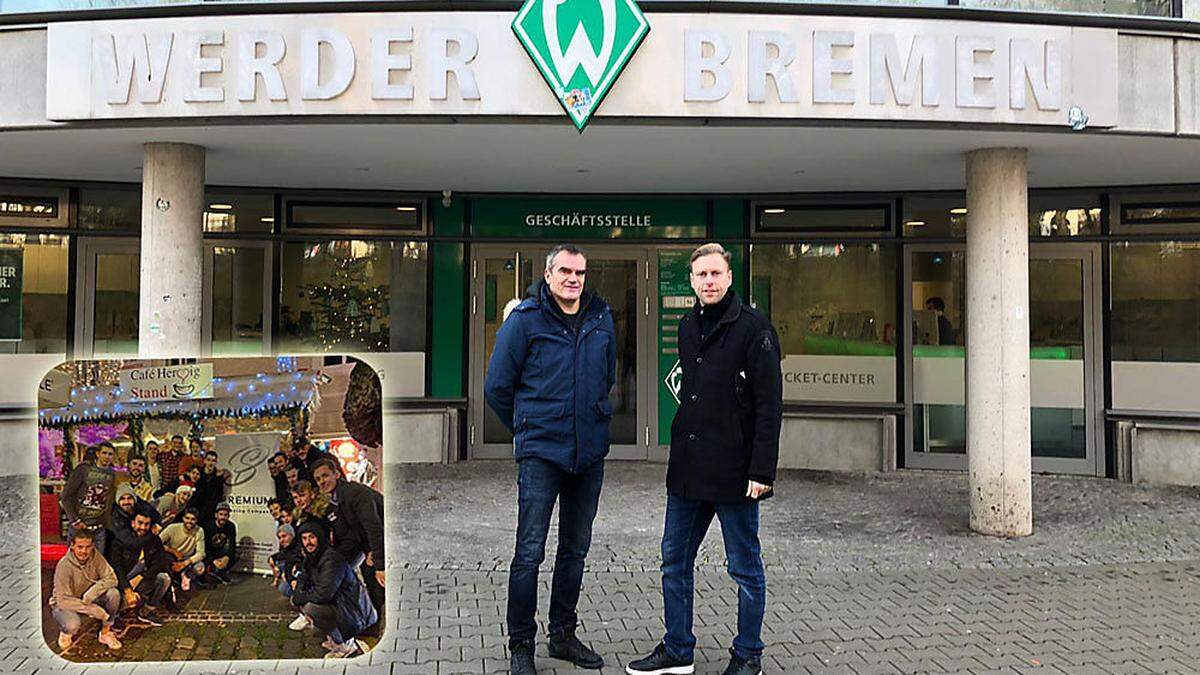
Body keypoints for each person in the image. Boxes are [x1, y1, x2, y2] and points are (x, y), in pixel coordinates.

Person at [627, 243, 782, 675]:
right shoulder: (687, 325)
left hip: (736, 474)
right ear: (692, 281)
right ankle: (678, 649)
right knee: (673, 561)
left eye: (716, 274)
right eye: (701, 276)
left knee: (744, 569)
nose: (709, 282)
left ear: (729, 278)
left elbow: (770, 407)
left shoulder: (756, 330)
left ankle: (748, 654)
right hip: (689, 471)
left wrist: (761, 471)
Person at [483, 243, 616, 674]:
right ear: (548, 274)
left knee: (574, 550)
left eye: (579, 271)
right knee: (529, 552)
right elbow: (497, 388)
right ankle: (521, 644)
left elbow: (607, 375)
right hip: (542, 453)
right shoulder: (524, 320)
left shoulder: (601, 316)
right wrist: (527, 427)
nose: (573, 278)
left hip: (589, 453)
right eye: (565, 271)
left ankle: (562, 635)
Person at [290, 520, 377, 659]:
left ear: (319, 538)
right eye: (304, 538)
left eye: (312, 537)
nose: (308, 542)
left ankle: (347, 645)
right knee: (301, 599)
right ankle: (335, 639)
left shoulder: (332, 560)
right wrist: (297, 594)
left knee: (312, 608)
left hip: (355, 612)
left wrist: (299, 597)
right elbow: (303, 579)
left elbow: (323, 594)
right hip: (340, 605)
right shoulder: (312, 557)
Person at [311, 458, 385, 614]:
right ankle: (371, 621)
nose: (322, 482)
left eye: (325, 476)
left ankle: (383, 626)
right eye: (318, 479)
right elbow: (352, 532)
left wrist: (380, 564)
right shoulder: (333, 501)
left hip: (387, 539)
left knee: (378, 583)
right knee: (368, 581)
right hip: (368, 545)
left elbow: (374, 528)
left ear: (336, 474)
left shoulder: (356, 494)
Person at [50, 530, 123, 652]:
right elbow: (62, 601)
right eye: (80, 547)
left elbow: (112, 578)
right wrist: (92, 609)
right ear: (72, 546)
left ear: (93, 546)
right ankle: (65, 631)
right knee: (72, 625)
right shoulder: (64, 565)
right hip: (68, 602)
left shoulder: (95, 556)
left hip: (87, 598)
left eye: (88, 547)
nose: (84, 551)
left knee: (113, 594)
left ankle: (105, 632)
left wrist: (92, 593)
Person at [108, 509, 172, 626]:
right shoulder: (120, 541)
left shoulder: (154, 540)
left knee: (164, 579)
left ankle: (146, 611)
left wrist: (142, 576)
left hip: (141, 579)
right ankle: (115, 616)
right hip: (122, 583)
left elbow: (160, 562)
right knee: (115, 597)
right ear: (133, 523)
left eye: (146, 524)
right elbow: (116, 567)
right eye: (140, 523)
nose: (143, 527)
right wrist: (127, 588)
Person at [59, 441, 117, 557]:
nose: (107, 457)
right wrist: (74, 520)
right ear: (97, 454)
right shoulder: (83, 470)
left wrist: (107, 522)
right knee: (74, 562)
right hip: (80, 525)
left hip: (99, 527)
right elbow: (65, 495)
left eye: (110, 454)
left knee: (96, 563)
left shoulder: (112, 474)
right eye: (104, 453)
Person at [269, 522, 307, 630]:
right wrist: (272, 557)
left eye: (284, 536)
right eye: (279, 537)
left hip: (304, 578)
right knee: (284, 588)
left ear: (292, 535)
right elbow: (286, 560)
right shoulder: (288, 549)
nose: (281, 540)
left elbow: (301, 565)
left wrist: (296, 579)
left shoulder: (300, 548)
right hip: (294, 578)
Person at [160, 508, 207, 592]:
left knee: (200, 568)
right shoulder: (172, 528)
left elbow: (201, 553)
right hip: (172, 556)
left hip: (188, 558)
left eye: (193, 519)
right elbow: (157, 542)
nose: (189, 521)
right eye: (187, 518)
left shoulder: (199, 530)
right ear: (183, 518)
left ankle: (186, 576)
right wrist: (174, 551)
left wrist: (185, 563)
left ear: (196, 520)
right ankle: (176, 580)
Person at [193, 450, 232, 525]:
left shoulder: (219, 476)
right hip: (197, 509)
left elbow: (219, 493)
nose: (211, 463)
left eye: (213, 461)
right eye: (208, 460)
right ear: (204, 461)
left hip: (211, 510)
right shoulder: (198, 473)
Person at [204, 502, 239, 584]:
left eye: (225, 515)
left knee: (236, 555)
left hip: (221, 552)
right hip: (210, 553)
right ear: (216, 515)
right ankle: (212, 570)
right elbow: (204, 548)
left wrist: (227, 557)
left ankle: (221, 572)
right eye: (221, 514)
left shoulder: (231, 526)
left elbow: (232, 545)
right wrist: (213, 561)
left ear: (228, 516)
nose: (223, 517)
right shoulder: (208, 527)